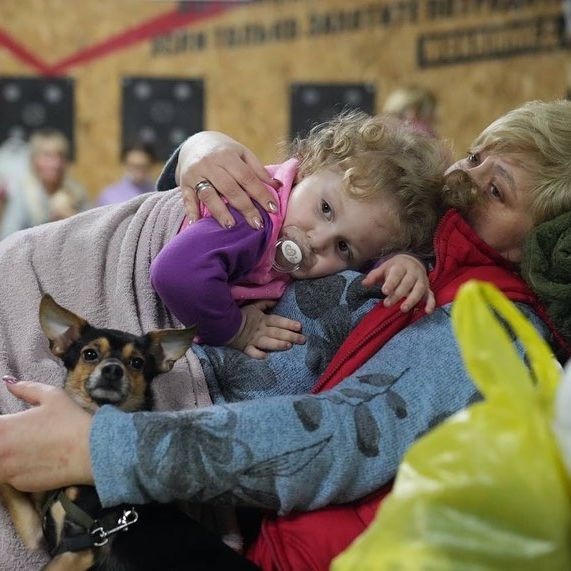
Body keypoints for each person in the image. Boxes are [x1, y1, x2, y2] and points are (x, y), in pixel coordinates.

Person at [0, 100, 570, 571]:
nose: (461, 178)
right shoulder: (427, 245)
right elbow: (235, 224)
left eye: (496, 189)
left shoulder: (490, 321)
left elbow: (345, 436)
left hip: (153, 426)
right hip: (97, 312)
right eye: (473, 156)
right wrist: (202, 152)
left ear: (545, 241)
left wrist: (97, 450)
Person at [150, 111, 445, 357]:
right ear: (307, 168)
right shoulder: (255, 216)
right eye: (326, 209)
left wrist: (402, 262)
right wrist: (237, 329)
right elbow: (174, 274)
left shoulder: (309, 208)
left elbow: (367, 251)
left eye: (343, 247)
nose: (317, 240)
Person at [0, 128, 88, 239]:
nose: (55, 164)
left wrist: (72, 218)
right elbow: (8, 239)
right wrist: (50, 219)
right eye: (48, 156)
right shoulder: (23, 195)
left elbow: (91, 236)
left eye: (60, 156)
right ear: (34, 160)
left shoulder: (77, 193)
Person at [96, 141, 156, 207]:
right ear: (124, 165)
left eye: (143, 166)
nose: (138, 172)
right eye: (134, 166)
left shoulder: (157, 194)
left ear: (151, 165)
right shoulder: (109, 196)